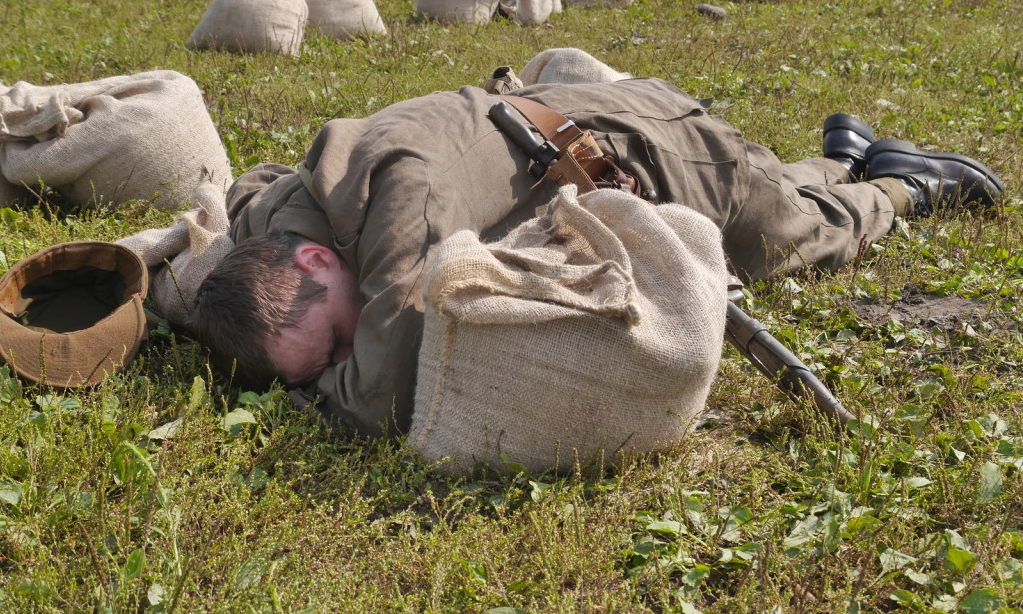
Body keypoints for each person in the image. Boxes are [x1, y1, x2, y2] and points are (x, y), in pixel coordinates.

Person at [191, 74, 1003, 438]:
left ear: (316, 264)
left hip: (662, 153)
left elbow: (382, 393)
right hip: (585, 127)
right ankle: (846, 155)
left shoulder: (406, 192)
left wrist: (321, 392)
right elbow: (249, 191)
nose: (348, 356)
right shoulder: (283, 214)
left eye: (336, 340)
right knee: (785, 195)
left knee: (798, 240)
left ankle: (907, 187)